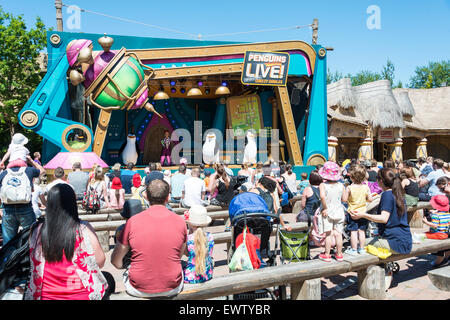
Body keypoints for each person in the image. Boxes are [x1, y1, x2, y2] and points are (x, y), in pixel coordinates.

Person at [25, 184, 109, 300]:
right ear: (72, 204)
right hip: (81, 295)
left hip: (45, 295)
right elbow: (100, 261)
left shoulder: (36, 230)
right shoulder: (83, 229)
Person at [111, 179, 187, 299]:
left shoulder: (132, 222)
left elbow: (115, 261)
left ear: (146, 196)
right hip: (173, 285)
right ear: (167, 197)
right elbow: (179, 255)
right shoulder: (180, 222)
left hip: (138, 287)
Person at [350, 168, 412, 256]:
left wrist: (363, 215)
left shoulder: (386, 194)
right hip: (405, 240)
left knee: (358, 245)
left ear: (381, 181)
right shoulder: (398, 193)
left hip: (394, 242)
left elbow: (384, 218)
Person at [0, 155, 45, 244]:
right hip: (26, 208)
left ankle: (8, 257)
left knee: (8, 242)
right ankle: (27, 257)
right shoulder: (28, 171)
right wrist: (31, 161)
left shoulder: (4, 173)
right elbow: (43, 171)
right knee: (30, 239)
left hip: (8, 209)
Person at [317, 161, 348, 262]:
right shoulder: (341, 185)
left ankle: (327, 254)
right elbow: (344, 199)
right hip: (338, 210)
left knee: (328, 234)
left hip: (328, 211)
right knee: (339, 233)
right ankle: (339, 254)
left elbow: (322, 196)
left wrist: (325, 207)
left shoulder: (323, 185)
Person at [345, 164, 373, 255]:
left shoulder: (349, 188)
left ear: (352, 177)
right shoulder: (366, 187)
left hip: (352, 212)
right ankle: (361, 248)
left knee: (353, 232)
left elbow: (344, 199)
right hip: (363, 212)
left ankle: (353, 249)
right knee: (362, 231)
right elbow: (370, 199)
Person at [183, 205, 214, 284]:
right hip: (207, 274)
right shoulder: (210, 236)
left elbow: (187, 254)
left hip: (191, 277)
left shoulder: (188, 238)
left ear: (190, 223)